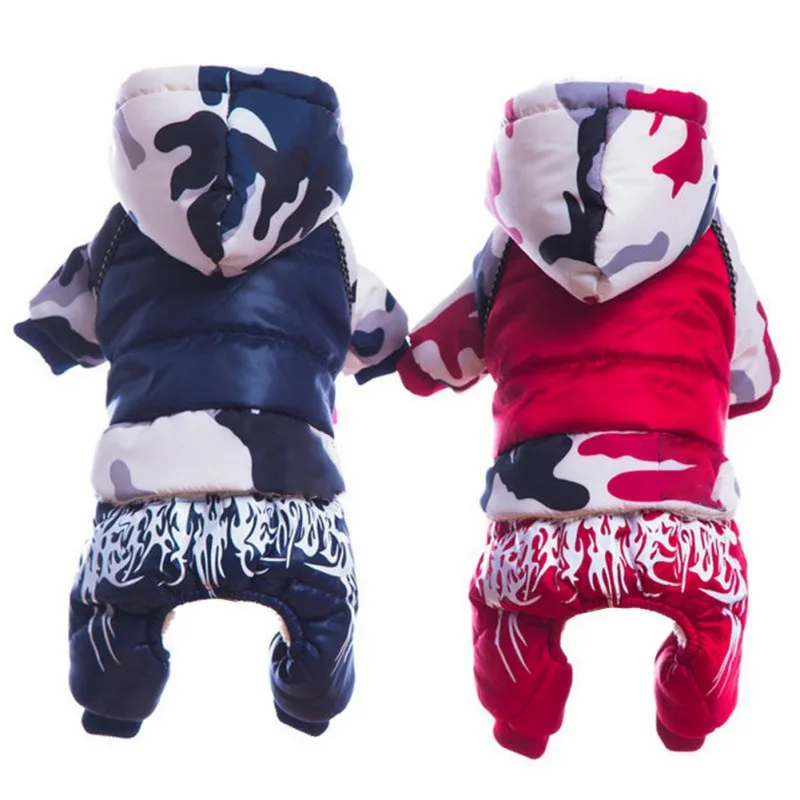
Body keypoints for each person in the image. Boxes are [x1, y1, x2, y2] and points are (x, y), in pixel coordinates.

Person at [14, 65, 408, 739]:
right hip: (290, 502)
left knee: (112, 620)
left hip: (144, 505)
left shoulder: (119, 236)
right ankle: (308, 706)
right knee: (323, 615)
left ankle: (112, 705)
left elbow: (61, 323)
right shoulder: (328, 238)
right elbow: (380, 336)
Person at [397, 81, 780, 757]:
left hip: (538, 528)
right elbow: (757, 379)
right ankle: (689, 718)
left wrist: (414, 366)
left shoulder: (509, 250)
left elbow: (433, 357)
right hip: (684, 525)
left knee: (510, 621)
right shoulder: (714, 241)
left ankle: (523, 719)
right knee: (715, 617)